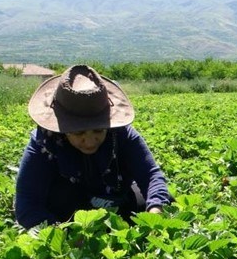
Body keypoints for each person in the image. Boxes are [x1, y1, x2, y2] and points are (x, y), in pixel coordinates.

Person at [15, 65, 172, 229]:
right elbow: (27, 204)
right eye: (78, 133)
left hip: (113, 199)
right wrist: (64, 237)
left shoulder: (121, 133)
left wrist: (155, 212)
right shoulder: (44, 142)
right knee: (61, 202)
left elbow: (150, 175)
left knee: (162, 200)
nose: (90, 141)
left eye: (98, 130)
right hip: (68, 211)